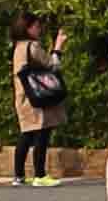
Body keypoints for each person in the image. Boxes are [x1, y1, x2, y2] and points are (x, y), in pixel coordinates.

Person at [8, 16, 65, 185]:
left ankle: (18, 176)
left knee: (26, 134)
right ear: (28, 28)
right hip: (37, 96)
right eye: (37, 26)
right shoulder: (32, 47)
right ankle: (40, 175)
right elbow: (53, 65)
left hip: (23, 96)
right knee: (42, 133)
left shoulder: (17, 47)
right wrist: (58, 47)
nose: (39, 29)